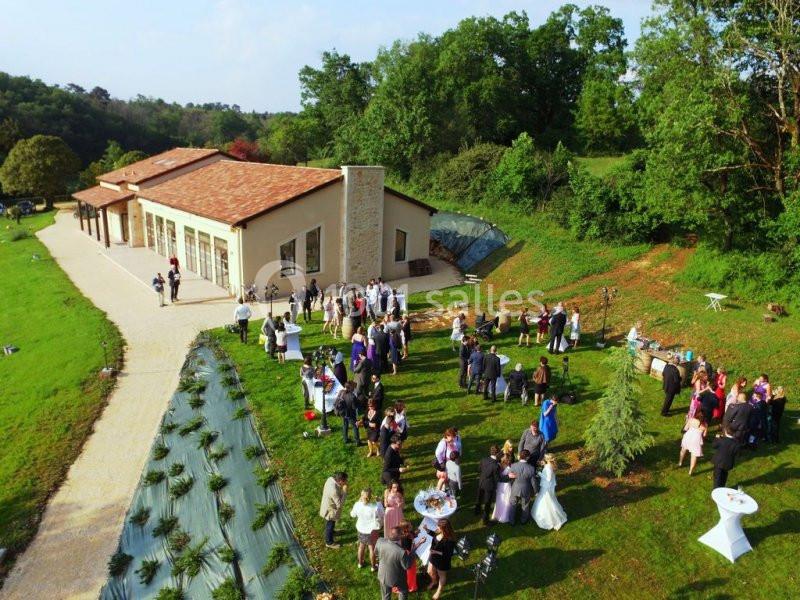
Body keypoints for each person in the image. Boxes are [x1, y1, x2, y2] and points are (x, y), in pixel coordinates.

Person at [376, 527, 415, 600]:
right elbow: (407, 566)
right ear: (399, 536)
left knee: (385, 596)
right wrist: (413, 551)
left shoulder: (380, 541)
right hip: (397, 578)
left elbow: (376, 553)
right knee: (403, 591)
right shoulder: (401, 552)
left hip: (382, 575)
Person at [531, 454, 568, 530]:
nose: (544, 458)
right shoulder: (550, 465)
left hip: (546, 486)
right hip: (548, 486)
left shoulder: (548, 468)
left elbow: (548, 478)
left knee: (546, 500)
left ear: (548, 459)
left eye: (545, 458)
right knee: (548, 498)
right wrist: (545, 465)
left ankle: (551, 518)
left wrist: (540, 473)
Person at [351, 488, 384, 570]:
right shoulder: (375, 507)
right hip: (371, 531)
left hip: (361, 529)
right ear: (370, 497)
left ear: (361, 496)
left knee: (361, 546)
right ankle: (373, 566)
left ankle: (360, 563)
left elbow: (352, 515)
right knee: (371, 548)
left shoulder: (357, 504)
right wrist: (379, 502)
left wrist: (358, 502)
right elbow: (382, 514)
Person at [425, 518, 456, 600]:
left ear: (444, 529)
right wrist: (427, 530)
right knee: (429, 571)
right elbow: (435, 536)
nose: (437, 528)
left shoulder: (450, 540)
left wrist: (436, 552)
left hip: (442, 560)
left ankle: (439, 591)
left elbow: (449, 554)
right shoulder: (439, 532)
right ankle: (434, 581)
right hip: (433, 556)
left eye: (439, 527)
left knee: (441, 575)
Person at [506, 450, 539, 525]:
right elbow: (533, 482)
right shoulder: (531, 468)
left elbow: (511, 478)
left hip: (515, 488)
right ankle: (523, 520)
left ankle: (511, 521)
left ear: (520, 456)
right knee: (525, 505)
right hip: (526, 489)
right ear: (527, 458)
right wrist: (536, 491)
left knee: (513, 504)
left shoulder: (513, 465)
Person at [319, 472, 348, 548]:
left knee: (330, 523)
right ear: (340, 481)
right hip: (330, 510)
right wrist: (344, 492)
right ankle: (329, 542)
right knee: (330, 524)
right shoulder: (333, 491)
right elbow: (340, 505)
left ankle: (332, 532)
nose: (346, 482)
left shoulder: (330, 479)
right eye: (345, 481)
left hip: (326, 504)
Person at [475, 445, 501, 523]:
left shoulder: (483, 460)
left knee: (479, 498)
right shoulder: (496, 465)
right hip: (489, 486)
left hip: (481, 482)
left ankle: (477, 511)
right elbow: (497, 479)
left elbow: (479, 469)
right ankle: (485, 519)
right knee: (487, 502)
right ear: (497, 454)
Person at [492, 455, 514, 524]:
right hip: (506, 485)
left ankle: (497, 514)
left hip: (499, 485)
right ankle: (504, 516)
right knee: (506, 499)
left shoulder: (498, 466)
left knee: (500, 499)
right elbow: (511, 477)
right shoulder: (510, 467)